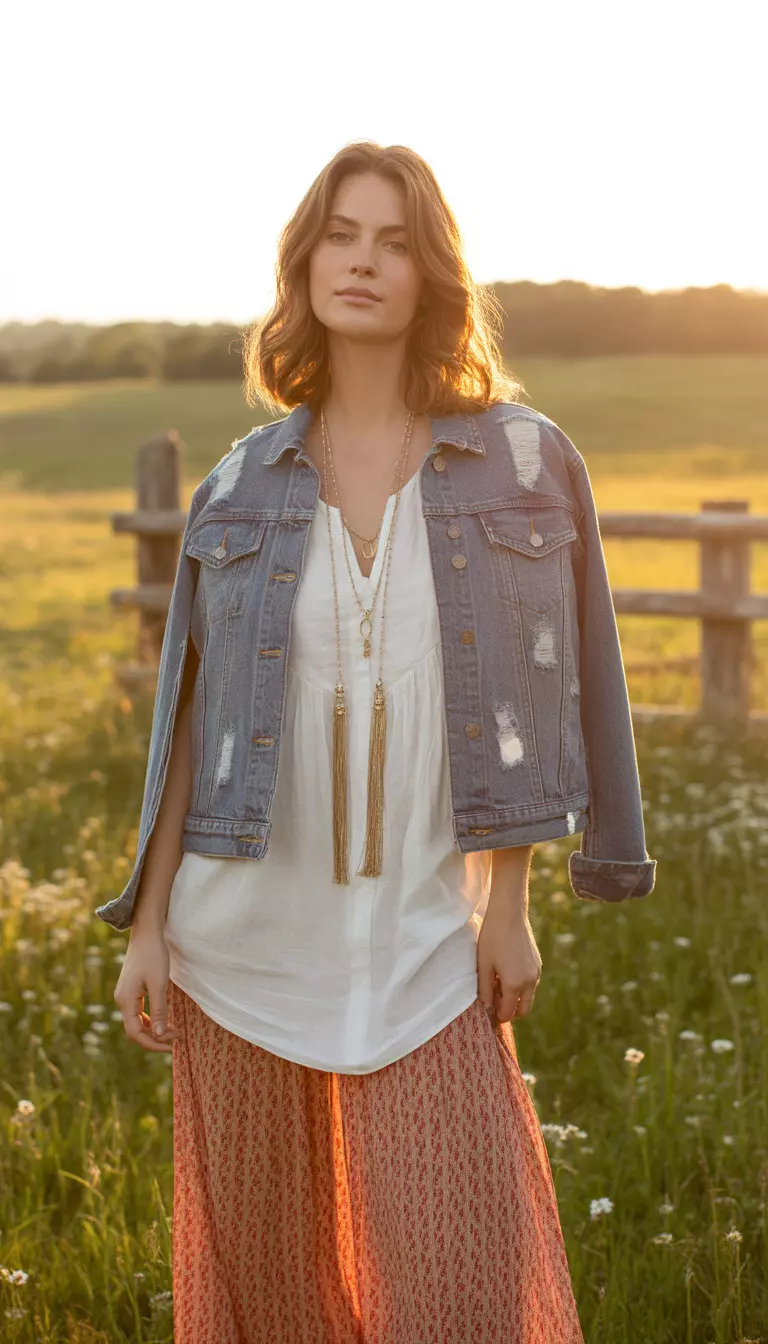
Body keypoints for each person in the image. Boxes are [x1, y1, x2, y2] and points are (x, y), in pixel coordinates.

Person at [103, 140, 655, 1342]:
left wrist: (509, 905)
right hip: (237, 945)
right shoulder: (243, 482)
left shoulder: (517, 460)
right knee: (273, 1298)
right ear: (303, 267)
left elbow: (569, 679)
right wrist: (147, 927)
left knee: (463, 1288)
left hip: (425, 943)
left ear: (431, 273)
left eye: (394, 240)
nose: (364, 261)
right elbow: (189, 719)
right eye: (341, 236)